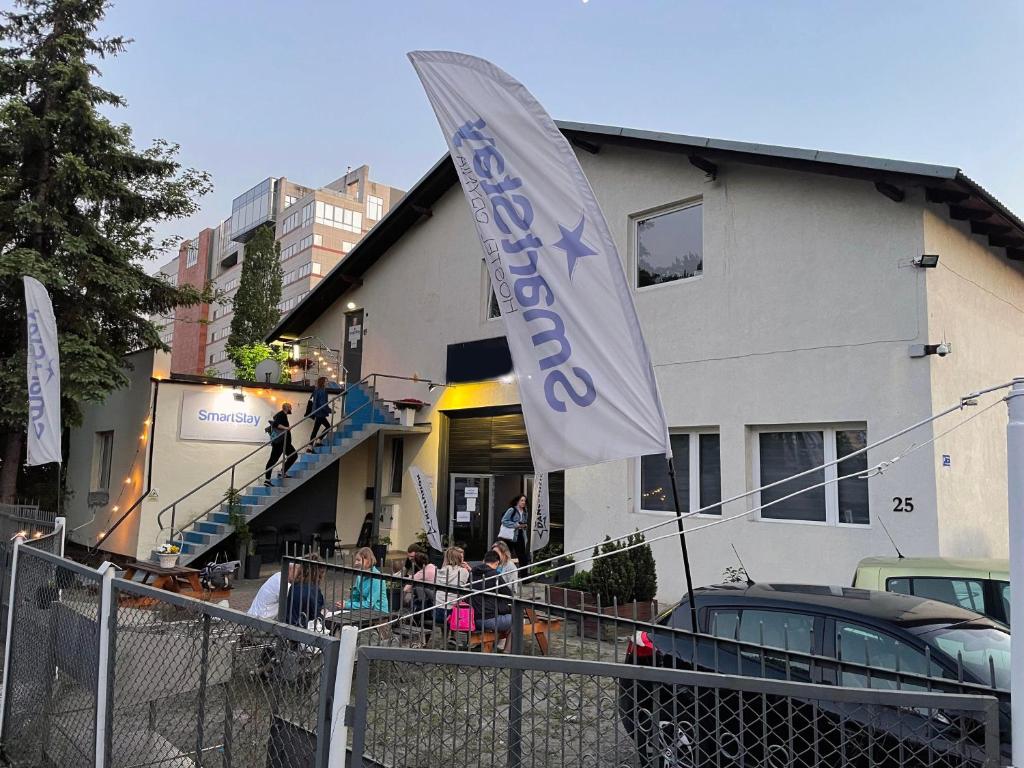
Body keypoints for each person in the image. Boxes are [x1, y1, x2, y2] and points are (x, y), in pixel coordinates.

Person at [469, 550, 514, 643]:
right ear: (497, 562)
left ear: (484, 560)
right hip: (488, 619)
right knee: (518, 619)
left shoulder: (472, 573)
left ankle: (496, 644)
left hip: (472, 618)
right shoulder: (494, 575)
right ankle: (507, 651)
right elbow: (509, 594)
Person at [338, 547, 389, 612]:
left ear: (368, 560)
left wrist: (347, 605)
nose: (355, 563)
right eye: (355, 560)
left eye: (358, 560)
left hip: (378, 613)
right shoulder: (360, 576)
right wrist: (345, 603)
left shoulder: (377, 578)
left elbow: (369, 604)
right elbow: (356, 597)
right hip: (365, 611)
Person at [433, 547, 471, 625]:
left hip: (437, 611)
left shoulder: (441, 571)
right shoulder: (463, 571)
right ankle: (454, 636)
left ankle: (446, 635)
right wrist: (469, 569)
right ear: (458, 558)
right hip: (452, 612)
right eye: (462, 557)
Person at [285, 555, 325, 627]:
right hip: (303, 628)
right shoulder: (313, 589)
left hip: (290, 625)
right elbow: (315, 614)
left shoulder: (294, 585)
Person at [264, 402, 298, 486]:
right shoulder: (281, 414)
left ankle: (281, 473)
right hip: (281, 442)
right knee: (274, 459)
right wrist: (286, 428)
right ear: (286, 408)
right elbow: (275, 424)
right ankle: (268, 479)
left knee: (292, 455)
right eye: (290, 407)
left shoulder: (282, 415)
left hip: (283, 442)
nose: (291, 409)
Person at [499, 494, 530, 568]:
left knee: (522, 557)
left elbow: (523, 523)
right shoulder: (512, 510)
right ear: (517, 501)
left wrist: (524, 526)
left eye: (525, 501)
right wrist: (516, 525)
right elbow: (504, 521)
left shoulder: (525, 512)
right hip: (510, 535)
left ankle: (524, 577)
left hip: (519, 534)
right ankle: (502, 575)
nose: (523, 502)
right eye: (522, 500)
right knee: (506, 555)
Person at [306, 377, 332, 452]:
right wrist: (330, 410)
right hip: (320, 413)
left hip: (317, 412)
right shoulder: (323, 391)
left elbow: (314, 401)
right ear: (322, 382)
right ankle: (312, 445)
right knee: (327, 427)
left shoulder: (316, 390)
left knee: (317, 428)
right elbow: (322, 404)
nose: (328, 382)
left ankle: (313, 444)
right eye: (326, 381)